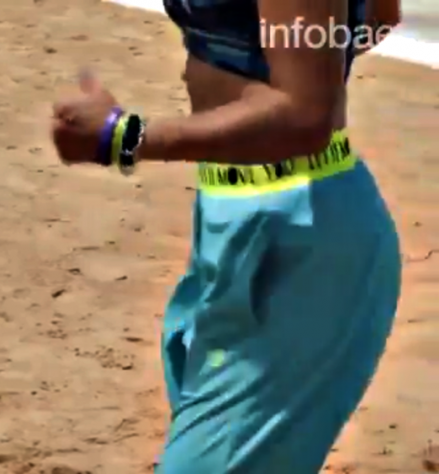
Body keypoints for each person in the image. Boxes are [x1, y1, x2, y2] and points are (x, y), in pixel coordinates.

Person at [50, 0, 402, 471]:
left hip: (298, 242)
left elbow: (306, 117)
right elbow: (380, 17)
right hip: (239, 213)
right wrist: (310, 55)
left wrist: (125, 136)